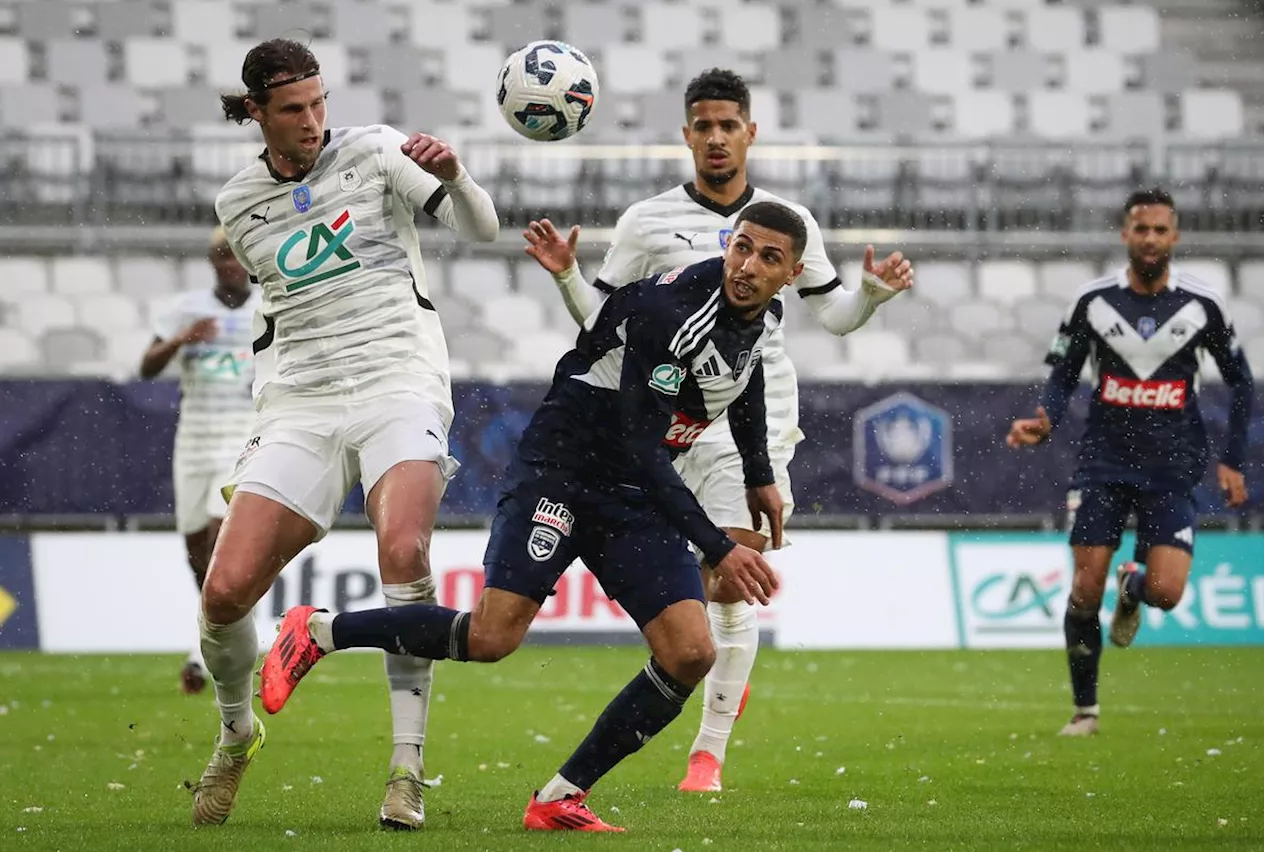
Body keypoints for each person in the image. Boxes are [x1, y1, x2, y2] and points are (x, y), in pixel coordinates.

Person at [260, 202, 809, 833]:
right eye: (742, 247)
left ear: (790, 272)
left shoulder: (762, 313)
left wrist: (760, 472)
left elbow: (747, 376)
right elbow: (641, 443)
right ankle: (320, 631)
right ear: (729, 243)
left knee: (690, 653)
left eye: (769, 258)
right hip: (566, 470)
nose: (748, 266)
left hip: (631, 492)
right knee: (493, 637)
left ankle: (559, 797)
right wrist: (716, 545)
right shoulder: (675, 311)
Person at [522, 68, 914, 792]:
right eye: (702, 125)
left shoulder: (789, 222)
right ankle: (706, 681)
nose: (715, 138)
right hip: (657, 429)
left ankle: (709, 751)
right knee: (700, 588)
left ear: (749, 133)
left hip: (750, 427)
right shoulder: (646, 222)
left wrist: (871, 297)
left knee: (733, 580)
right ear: (687, 135)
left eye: (728, 124)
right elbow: (602, 322)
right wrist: (563, 275)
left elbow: (830, 315)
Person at [190, 38, 499, 830]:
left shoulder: (377, 152)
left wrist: (457, 174)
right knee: (224, 593)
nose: (312, 121)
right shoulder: (238, 204)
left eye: (319, 102)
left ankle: (407, 768)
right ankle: (235, 735)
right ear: (256, 112)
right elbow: (280, 305)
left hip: (398, 378)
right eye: (293, 110)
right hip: (301, 400)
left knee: (405, 551)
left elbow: (482, 231)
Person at [1006, 188, 1253, 737]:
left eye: (1160, 230)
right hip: (1104, 462)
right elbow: (1064, 373)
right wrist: (1045, 418)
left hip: (1173, 467)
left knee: (1166, 593)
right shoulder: (1093, 301)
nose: (1150, 239)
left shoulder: (1202, 304)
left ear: (1175, 237)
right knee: (1082, 590)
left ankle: (1134, 588)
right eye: (1141, 229)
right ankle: (1085, 710)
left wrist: (1232, 460)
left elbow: (1241, 382)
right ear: (1125, 234)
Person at [139, 226, 258, 696]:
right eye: (221, 259)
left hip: (238, 438)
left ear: (247, 262)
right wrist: (180, 341)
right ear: (213, 263)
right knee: (195, 552)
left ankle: (203, 650)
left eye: (235, 259)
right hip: (193, 439)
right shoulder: (186, 310)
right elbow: (146, 367)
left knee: (216, 540)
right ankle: (219, 631)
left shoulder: (268, 307)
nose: (229, 266)